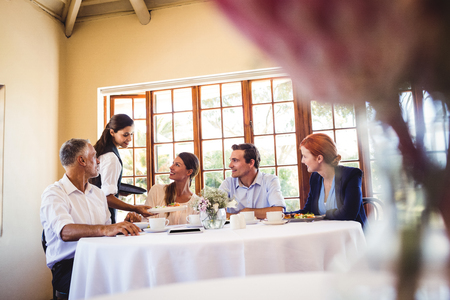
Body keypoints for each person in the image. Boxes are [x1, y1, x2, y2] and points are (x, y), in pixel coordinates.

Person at [40, 139, 142, 296]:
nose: (99, 161)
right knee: (121, 284)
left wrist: (123, 226)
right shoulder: (54, 193)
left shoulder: (98, 193)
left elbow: (107, 233)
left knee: (137, 274)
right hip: (70, 265)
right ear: (82, 160)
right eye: (94, 156)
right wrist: (106, 229)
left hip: (101, 258)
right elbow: (65, 232)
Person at [292, 133, 367, 227]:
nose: (302, 161)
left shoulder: (351, 175)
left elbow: (348, 214)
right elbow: (308, 211)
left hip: (350, 237)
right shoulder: (315, 178)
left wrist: (322, 216)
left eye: (305, 156)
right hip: (326, 234)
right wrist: (286, 215)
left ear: (319, 158)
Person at [91, 114, 151, 223]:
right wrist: (135, 208)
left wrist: (119, 190)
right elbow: (107, 197)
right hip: (102, 219)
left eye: (131, 134)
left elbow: (99, 186)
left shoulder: (102, 150)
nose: (130, 138)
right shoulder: (111, 158)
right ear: (112, 132)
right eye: (125, 134)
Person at [219, 143, 285, 219]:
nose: (230, 165)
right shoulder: (228, 183)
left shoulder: (270, 180)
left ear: (251, 163)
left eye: (235, 160)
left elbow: (278, 211)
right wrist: (242, 215)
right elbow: (216, 213)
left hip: (265, 230)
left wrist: (246, 212)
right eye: (231, 160)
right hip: (237, 230)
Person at [145, 152, 200, 225]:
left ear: (189, 172)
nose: (171, 167)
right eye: (173, 163)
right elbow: (146, 220)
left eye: (177, 165)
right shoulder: (157, 190)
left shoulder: (197, 202)